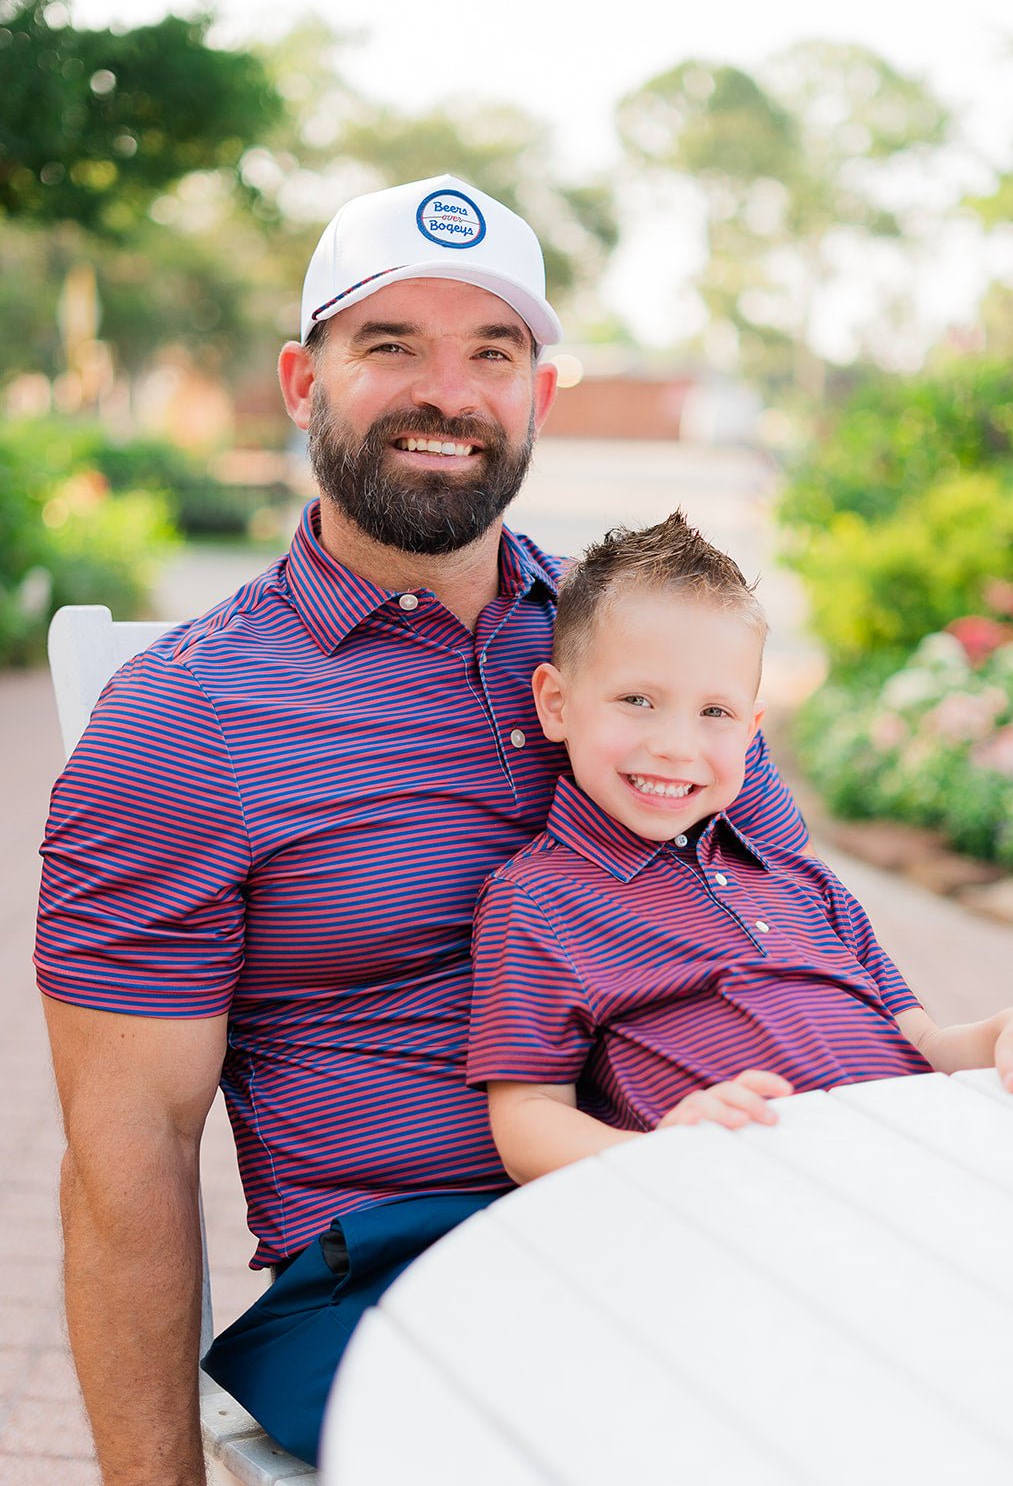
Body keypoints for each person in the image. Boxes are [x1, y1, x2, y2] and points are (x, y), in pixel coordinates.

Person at [34, 177, 810, 1478]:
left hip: (672, 1232)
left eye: (489, 354)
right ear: (301, 381)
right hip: (393, 1279)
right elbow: (129, 1157)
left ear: (538, 398)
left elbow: (797, 959)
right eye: (389, 345)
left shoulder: (649, 662)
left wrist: (960, 1043)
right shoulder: (188, 719)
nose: (443, 391)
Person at [466, 513, 1013, 1182]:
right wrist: (657, 1156)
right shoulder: (541, 898)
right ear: (555, 702)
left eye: (714, 713)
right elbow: (525, 1121)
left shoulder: (800, 881)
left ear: (751, 731)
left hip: (920, 1164)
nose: (674, 744)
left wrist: (1004, 1031)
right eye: (637, 699)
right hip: (757, 1199)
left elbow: (922, 1044)